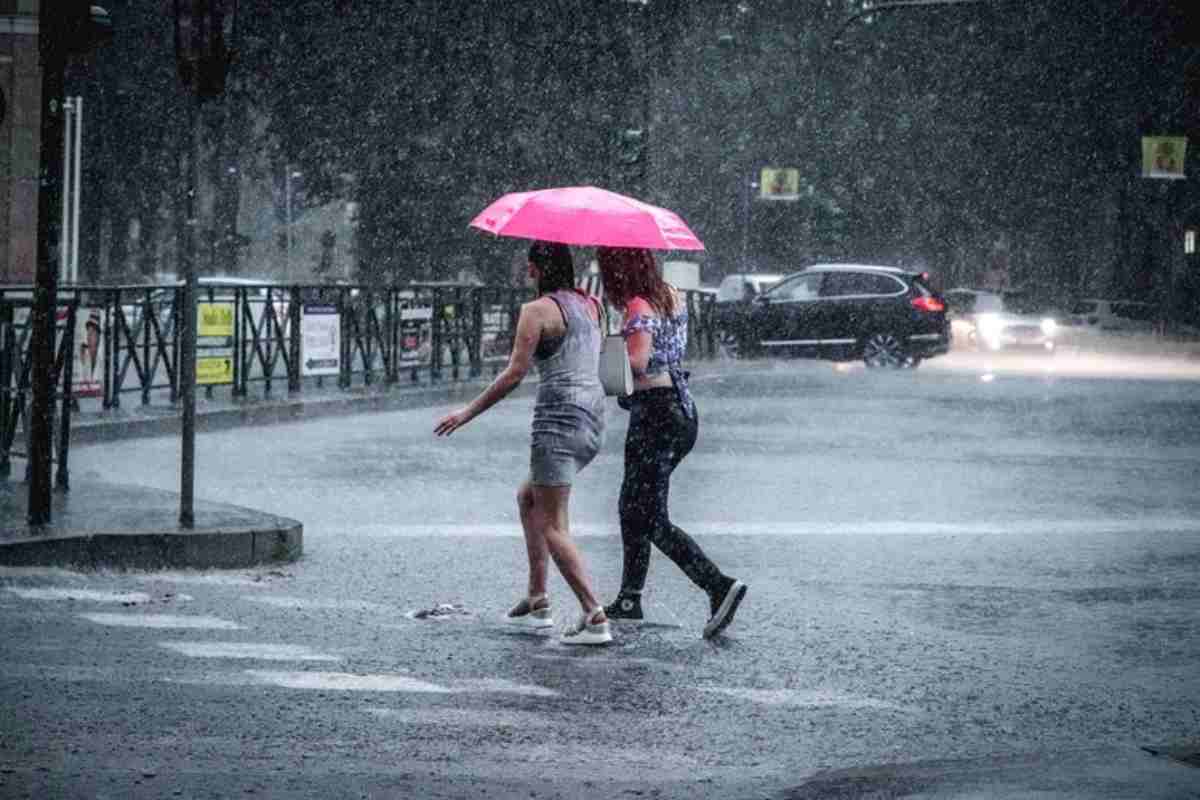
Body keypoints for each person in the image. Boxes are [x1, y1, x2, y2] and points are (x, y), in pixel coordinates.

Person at [434, 240, 612, 646]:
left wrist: (465, 413)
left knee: (553, 524)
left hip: (557, 423)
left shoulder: (535, 312)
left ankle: (594, 614)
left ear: (534, 269)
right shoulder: (593, 306)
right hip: (593, 422)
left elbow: (514, 374)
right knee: (529, 497)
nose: (524, 272)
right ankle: (537, 600)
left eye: (527, 267)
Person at [596, 246, 747, 639]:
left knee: (649, 516)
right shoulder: (670, 294)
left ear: (617, 270)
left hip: (656, 415)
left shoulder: (639, 305)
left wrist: (605, 353)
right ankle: (630, 598)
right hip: (679, 412)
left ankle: (717, 585)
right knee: (633, 506)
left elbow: (639, 362)